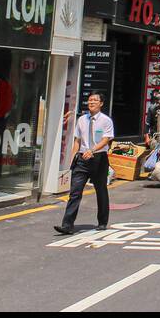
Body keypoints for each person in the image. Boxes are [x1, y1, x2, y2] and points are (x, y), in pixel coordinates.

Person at [55, 92, 114, 235]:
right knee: (75, 192)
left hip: (99, 158)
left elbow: (106, 140)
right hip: (82, 159)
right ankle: (67, 225)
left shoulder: (106, 121)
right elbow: (77, 140)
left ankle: (102, 221)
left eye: (95, 100)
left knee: (101, 190)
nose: (91, 102)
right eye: (89, 100)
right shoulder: (81, 119)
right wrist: (73, 156)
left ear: (101, 104)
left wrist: (92, 150)